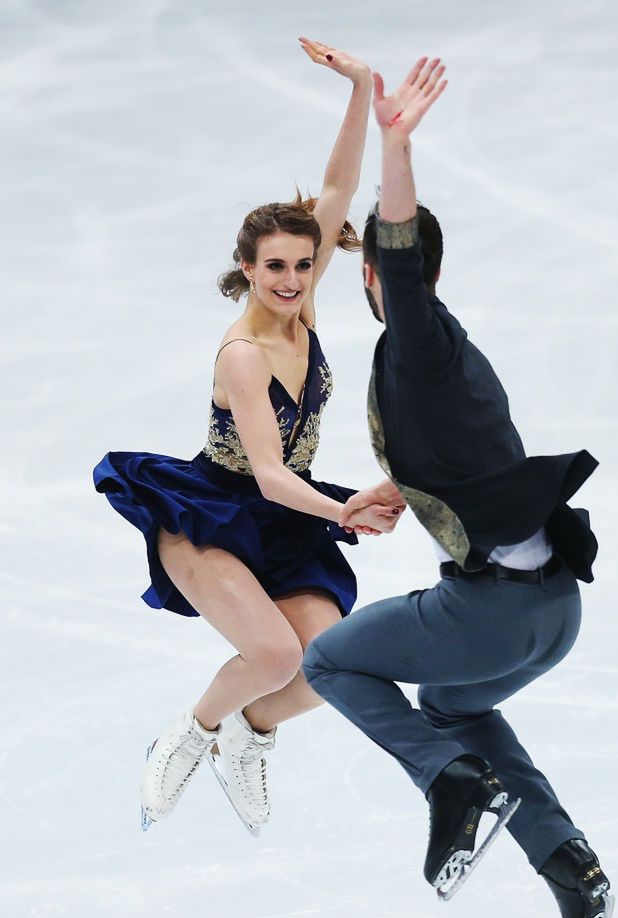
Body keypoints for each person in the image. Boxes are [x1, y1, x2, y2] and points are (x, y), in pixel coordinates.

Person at [303, 57, 614, 918]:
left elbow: (396, 250)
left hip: (493, 611)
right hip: (552, 613)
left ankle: (448, 782)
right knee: (449, 704)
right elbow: (466, 454)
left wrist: (394, 146)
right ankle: (568, 863)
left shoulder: (417, 338)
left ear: (384, 282)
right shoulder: (452, 357)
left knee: (329, 661)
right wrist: (394, 488)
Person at [93, 38, 402, 836]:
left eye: (302, 264)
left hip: (284, 519)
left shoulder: (301, 300)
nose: (293, 279)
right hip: (212, 514)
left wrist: (363, 88)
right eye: (275, 267)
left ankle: (249, 736)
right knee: (271, 656)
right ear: (246, 264)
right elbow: (266, 474)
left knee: (330, 666)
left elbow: (335, 186)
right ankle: (187, 735)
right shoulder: (242, 353)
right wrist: (342, 512)